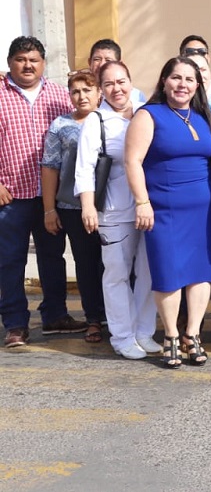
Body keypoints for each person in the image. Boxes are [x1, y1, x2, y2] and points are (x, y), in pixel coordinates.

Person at [124, 57, 211, 368]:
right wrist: (142, 202)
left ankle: (192, 334)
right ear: (164, 81)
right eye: (176, 78)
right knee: (168, 273)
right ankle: (170, 335)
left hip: (203, 211)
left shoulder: (203, 117)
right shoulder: (148, 115)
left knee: (201, 273)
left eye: (189, 79)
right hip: (164, 210)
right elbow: (132, 161)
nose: (183, 84)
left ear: (197, 85)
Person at [0, 36, 86, 348]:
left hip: (52, 195)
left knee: (53, 257)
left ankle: (55, 315)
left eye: (34, 60)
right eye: (21, 60)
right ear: (10, 63)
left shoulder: (60, 95)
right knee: (10, 261)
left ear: (43, 63)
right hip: (11, 195)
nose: (28, 65)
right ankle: (15, 324)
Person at [77, 61, 159, 359]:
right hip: (113, 211)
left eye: (121, 81)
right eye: (109, 84)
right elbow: (84, 168)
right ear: (101, 89)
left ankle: (144, 332)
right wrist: (88, 206)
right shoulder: (96, 121)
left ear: (130, 82)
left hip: (149, 207)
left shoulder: (145, 113)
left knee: (148, 273)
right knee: (117, 275)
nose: (117, 89)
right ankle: (122, 337)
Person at [40, 70, 106, 343]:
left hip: (112, 205)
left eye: (87, 90)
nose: (81, 96)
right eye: (75, 91)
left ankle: (119, 317)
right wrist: (49, 209)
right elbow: (50, 167)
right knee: (86, 263)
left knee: (115, 264)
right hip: (73, 207)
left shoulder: (111, 119)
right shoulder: (60, 125)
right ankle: (94, 319)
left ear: (99, 92)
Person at [88, 39, 146, 106]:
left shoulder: (136, 96)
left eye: (108, 60)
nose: (101, 65)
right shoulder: (81, 94)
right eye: (97, 59)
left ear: (119, 64)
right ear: (89, 62)